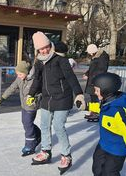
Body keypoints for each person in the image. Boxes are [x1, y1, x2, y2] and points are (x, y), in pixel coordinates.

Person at [26, 31, 85, 175]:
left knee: (58, 126)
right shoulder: (39, 62)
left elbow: (71, 77)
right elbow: (37, 80)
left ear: (50, 45)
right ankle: (46, 152)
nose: (44, 50)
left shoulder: (60, 60)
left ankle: (66, 155)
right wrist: (31, 93)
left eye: (46, 47)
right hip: (47, 99)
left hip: (63, 99)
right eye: (41, 49)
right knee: (45, 126)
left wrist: (79, 94)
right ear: (37, 50)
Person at [86, 72, 126, 175]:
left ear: (106, 90)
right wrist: (86, 106)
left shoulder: (119, 111)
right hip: (103, 144)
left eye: (97, 90)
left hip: (116, 150)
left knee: (109, 172)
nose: (95, 92)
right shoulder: (107, 102)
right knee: (97, 168)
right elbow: (100, 108)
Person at [0, 61, 41, 157]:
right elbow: (12, 87)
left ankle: (30, 145)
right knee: (26, 122)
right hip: (23, 105)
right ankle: (38, 134)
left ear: (26, 72)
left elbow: (41, 92)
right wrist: (3, 97)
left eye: (20, 74)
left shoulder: (34, 80)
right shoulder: (20, 79)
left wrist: (34, 98)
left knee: (28, 124)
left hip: (31, 105)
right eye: (17, 74)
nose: (19, 76)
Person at [83, 44, 109, 121]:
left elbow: (102, 70)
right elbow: (92, 68)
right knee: (93, 97)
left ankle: (96, 113)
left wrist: (93, 77)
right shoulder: (95, 57)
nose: (90, 54)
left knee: (96, 97)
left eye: (90, 52)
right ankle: (93, 112)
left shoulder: (102, 57)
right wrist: (87, 74)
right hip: (92, 80)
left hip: (97, 81)